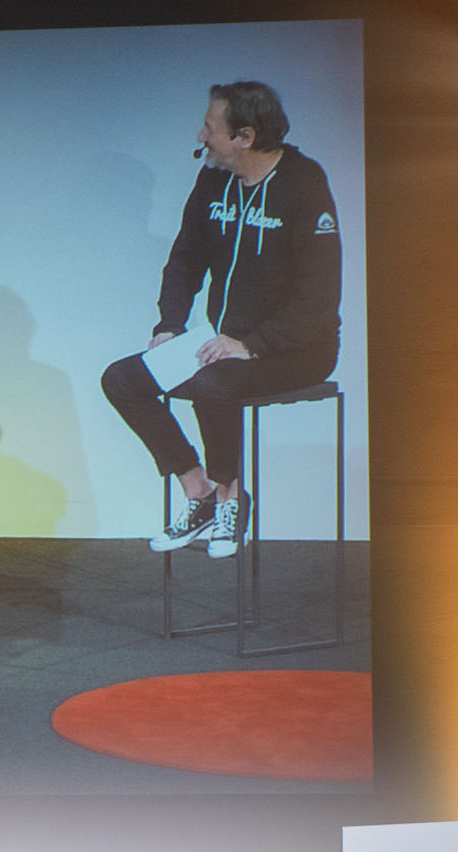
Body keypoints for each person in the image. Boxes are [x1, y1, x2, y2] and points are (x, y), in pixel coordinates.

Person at [100, 81, 341, 558]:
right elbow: (185, 260)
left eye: (210, 128)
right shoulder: (213, 181)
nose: (201, 136)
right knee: (122, 379)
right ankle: (201, 492)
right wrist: (169, 326)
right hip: (222, 343)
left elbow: (317, 296)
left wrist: (252, 345)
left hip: (298, 349)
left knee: (213, 382)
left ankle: (233, 497)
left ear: (245, 136)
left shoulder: (303, 184)